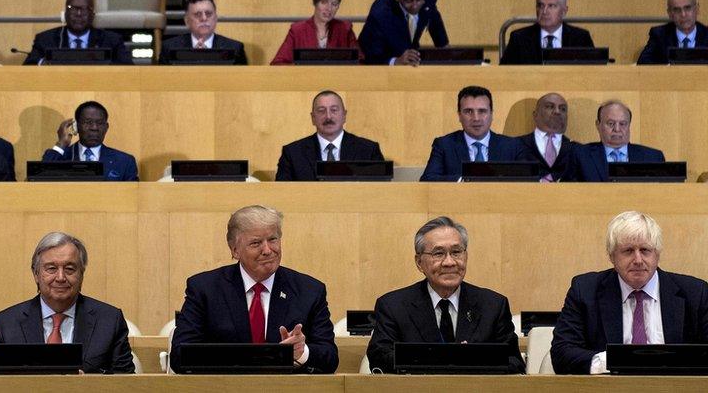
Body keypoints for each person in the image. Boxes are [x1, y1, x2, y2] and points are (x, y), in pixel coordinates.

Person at [170, 205, 339, 373]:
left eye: (273, 240)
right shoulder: (204, 289)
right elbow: (179, 356)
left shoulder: (309, 291)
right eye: (256, 243)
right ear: (235, 250)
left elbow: (330, 357)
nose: (267, 250)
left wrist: (302, 353)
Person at [551, 211, 708, 374]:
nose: (638, 260)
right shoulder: (585, 291)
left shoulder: (696, 293)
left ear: (657, 254)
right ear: (612, 256)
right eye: (628, 251)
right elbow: (562, 353)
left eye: (645, 250)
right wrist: (615, 361)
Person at [366, 217, 524, 374]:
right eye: (438, 253)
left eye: (456, 252)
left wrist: (473, 359)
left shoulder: (493, 305)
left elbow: (515, 362)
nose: (449, 262)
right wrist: (442, 358)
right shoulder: (393, 306)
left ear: (466, 256)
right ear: (419, 262)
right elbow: (379, 357)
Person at [0, 232, 135, 373]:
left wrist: (90, 385)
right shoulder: (6, 324)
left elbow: (126, 383)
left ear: (81, 275)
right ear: (36, 274)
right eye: (51, 268)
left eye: (69, 269)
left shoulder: (109, 321)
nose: (60, 277)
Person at [420, 86, 531, 182]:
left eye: (482, 111)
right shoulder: (444, 145)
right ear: (459, 115)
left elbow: (528, 180)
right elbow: (428, 179)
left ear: (491, 114)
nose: (476, 118)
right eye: (468, 111)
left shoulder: (513, 146)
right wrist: (464, 180)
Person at [275, 90, 384, 181]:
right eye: (321, 111)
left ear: (344, 116)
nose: (328, 117)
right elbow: (282, 193)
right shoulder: (292, 153)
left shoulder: (368, 150)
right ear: (313, 118)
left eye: (334, 110)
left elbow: (382, 192)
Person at [358, 0, 449, 65]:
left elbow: (433, 19)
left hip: (412, 57)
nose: (415, 6)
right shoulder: (380, 14)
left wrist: (445, 52)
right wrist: (396, 61)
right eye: (409, 1)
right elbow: (370, 57)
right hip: (383, 61)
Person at [566, 101, 665, 182]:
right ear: (598, 125)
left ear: (629, 126)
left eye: (622, 124)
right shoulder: (580, 155)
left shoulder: (653, 157)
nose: (617, 129)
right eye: (611, 123)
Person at [24, 0, 132, 65]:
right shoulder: (46, 39)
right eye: (73, 8)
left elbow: (129, 69)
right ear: (65, 14)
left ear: (92, 15)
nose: (79, 14)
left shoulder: (112, 40)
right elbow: (29, 67)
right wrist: (42, 63)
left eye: (84, 9)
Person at [41, 101, 138, 181]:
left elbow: (133, 197)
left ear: (106, 127)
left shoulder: (125, 161)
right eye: (88, 122)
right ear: (76, 126)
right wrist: (61, 143)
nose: (94, 128)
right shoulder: (59, 158)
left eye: (99, 123)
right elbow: (39, 181)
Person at [271, 0, 361, 65]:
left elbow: (361, 62)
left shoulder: (345, 29)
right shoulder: (297, 30)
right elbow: (278, 63)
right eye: (324, 2)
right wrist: (299, 70)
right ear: (315, 2)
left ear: (338, 6)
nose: (329, 9)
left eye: (334, 4)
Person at [501, 0, 594, 65]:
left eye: (551, 6)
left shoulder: (581, 38)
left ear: (564, 11)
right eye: (541, 6)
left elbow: (594, 73)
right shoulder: (519, 38)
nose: (545, 11)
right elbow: (504, 74)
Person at [160, 0, 247, 65]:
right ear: (186, 21)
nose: (204, 18)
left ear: (216, 18)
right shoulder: (169, 48)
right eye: (198, 14)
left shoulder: (234, 48)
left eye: (208, 13)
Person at [518, 93, 578, 182]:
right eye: (550, 107)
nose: (557, 111)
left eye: (563, 109)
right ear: (535, 115)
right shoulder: (516, 146)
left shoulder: (578, 150)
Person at [638, 0, 706, 63]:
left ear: (697, 9)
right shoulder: (659, 35)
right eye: (677, 10)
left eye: (687, 8)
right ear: (669, 13)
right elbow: (643, 63)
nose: (683, 15)